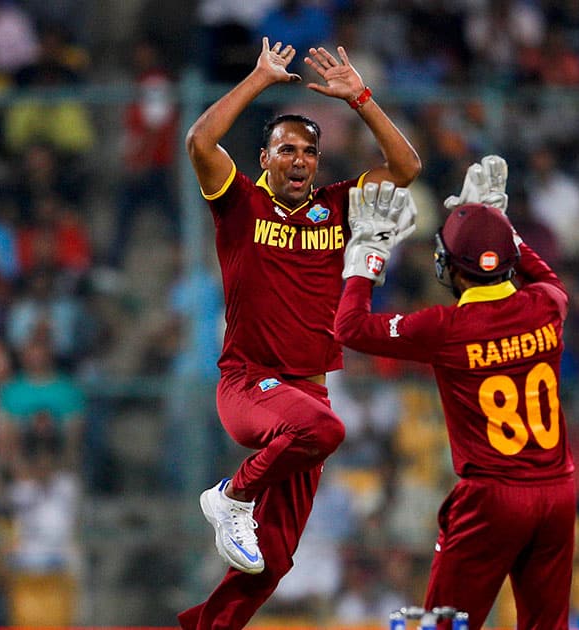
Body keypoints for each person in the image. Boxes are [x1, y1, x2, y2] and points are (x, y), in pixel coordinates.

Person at [177, 37, 421, 630]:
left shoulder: (337, 208)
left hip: (307, 396)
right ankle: (230, 496)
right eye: (286, 149)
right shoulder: (239, 204)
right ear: (264, 158)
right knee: (327, 428)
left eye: (308, 151)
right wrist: (260, 79)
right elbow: (199, 141)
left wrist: (361, 98)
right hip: (247, 385)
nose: (299, 160)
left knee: (277, 557)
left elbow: (408, 168)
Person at [335, 156, 575, 630]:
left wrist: (368, 254)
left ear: (450, 267)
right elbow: (547, 278)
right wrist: (502, 226)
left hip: (492, 498)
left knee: (441, 626)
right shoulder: (546, 305)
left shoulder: (445, 328)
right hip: (556, 492)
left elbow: (350, 326)